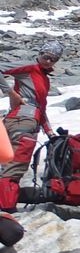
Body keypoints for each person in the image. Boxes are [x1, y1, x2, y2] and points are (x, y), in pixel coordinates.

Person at [0, 41, 62, 212]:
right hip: (22, 122)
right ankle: (7, 211)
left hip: (23, 122)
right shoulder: (29, 68)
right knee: (15, 167)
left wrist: (49, 132)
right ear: (40, 53)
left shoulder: (44, 79)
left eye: (53, 59)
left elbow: (41, 108)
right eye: (46, 56)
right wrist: (10, 92)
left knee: (7, 165)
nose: (49, 61)